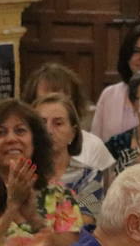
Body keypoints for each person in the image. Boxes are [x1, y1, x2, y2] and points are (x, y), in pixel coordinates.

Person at [0, 99, 84, 246]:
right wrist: (12, 204)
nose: (11, 139)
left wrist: (34, 218)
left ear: (35, 141)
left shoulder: (58, 194)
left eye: (20, 131)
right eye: (0, 133)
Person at [22, 62, 114, 175]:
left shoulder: (93, 146)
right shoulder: (22, 144)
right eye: (46, 99)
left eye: (60, 99)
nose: (54, 106)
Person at [34, 93, 106, 221]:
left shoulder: (91, 176)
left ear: (73, 133)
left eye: (58, 123)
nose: (48, 130)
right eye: (41, 123)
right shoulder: (23, 174)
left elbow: (86, 222)